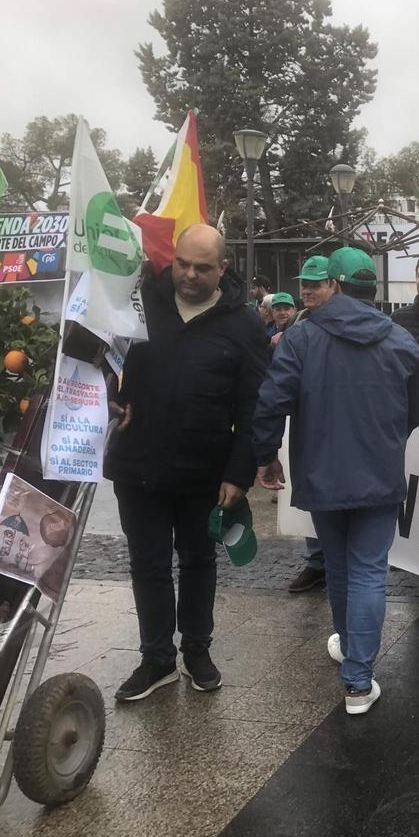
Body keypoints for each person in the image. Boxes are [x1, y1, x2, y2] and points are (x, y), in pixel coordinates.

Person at [254, 247, 419, 715]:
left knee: (339, 566)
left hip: (322, 472)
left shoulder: (301, 337)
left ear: (334, 284)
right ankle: (358, 680)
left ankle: (353, 658)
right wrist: (387, 441)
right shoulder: (400, 339)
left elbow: (272, 402)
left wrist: (266, 456)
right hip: (379, 473)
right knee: (369, 569)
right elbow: (417, 410)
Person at [107, 224, 268, 701]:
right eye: (182, 264)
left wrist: (239, 474)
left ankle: (197, 649)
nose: (189, 275)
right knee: (148, 565)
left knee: (198, 562)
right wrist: (108, 397)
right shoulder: (139, 304)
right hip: (138, 465)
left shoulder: (244, 324)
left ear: (223, 268)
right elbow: (103, 360)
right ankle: (157, 658)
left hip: (205, 472)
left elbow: (254, 405)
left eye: (202, 267)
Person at [284, 255, 338, 594]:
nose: (307, 290)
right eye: (304, 284)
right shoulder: (298, 323)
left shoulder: (344, 322)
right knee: (313, 497)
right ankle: (317, 561)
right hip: (309, 425)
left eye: (315, 284)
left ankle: (334, 563)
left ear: (333, 285)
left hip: (340, 424)